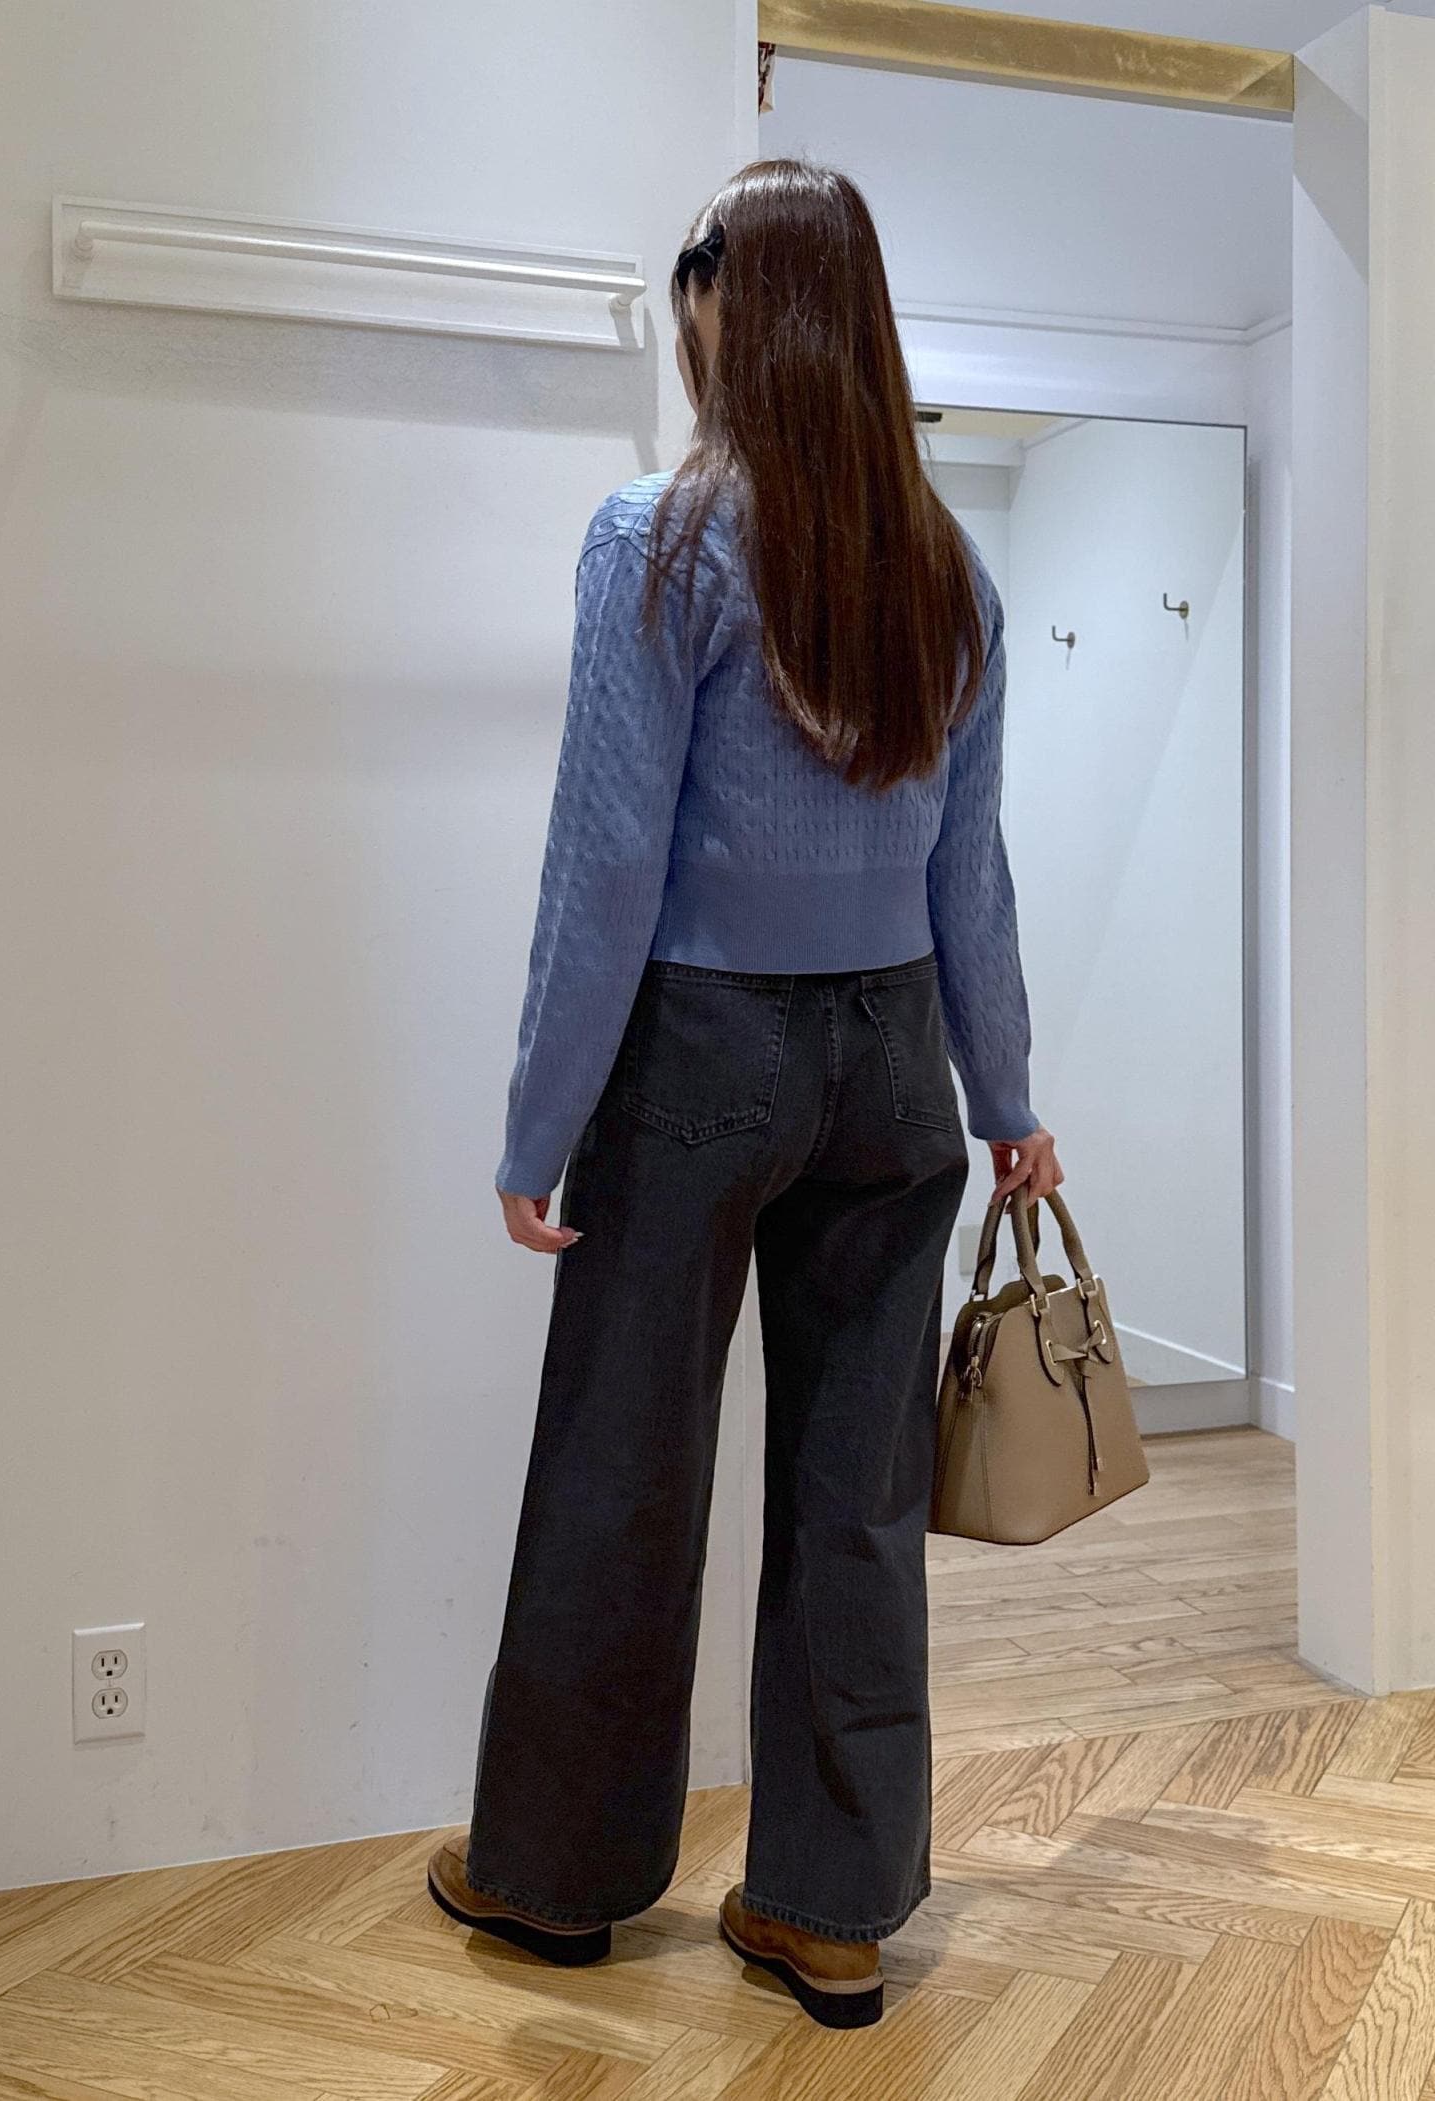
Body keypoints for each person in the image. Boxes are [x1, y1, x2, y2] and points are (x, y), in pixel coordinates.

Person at [427, 157, 1062, 2031]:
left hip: (701, 1055)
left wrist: (540, 1121)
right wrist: (1007, 1093)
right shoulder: (947, 567)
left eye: (693, 276)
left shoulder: (659, 539)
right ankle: (829, 1907)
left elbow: (605, 866)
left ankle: (554, 1877)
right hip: (897, 1065)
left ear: (728, 299)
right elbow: (971, 874)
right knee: (857, 1492)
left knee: (622, 1464)